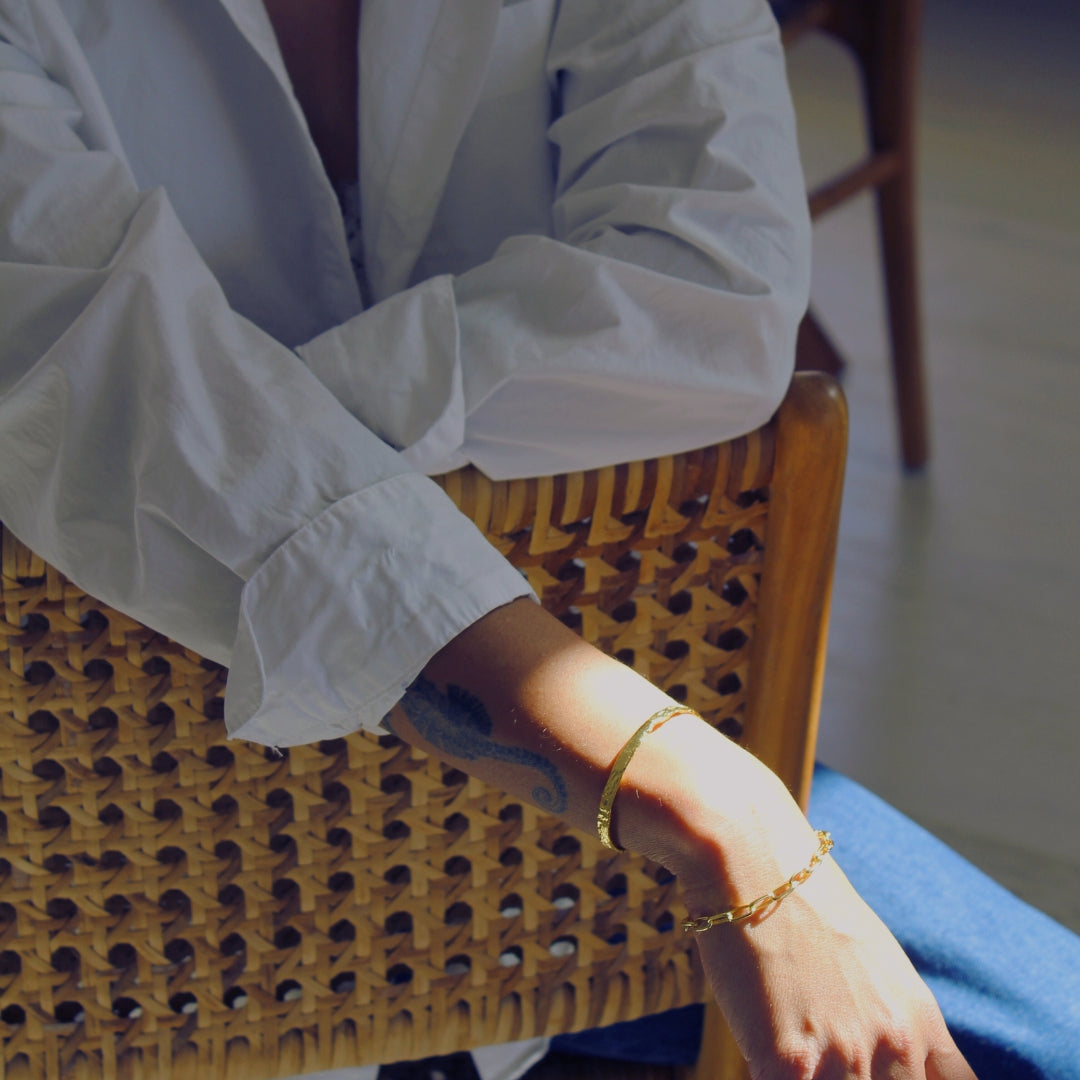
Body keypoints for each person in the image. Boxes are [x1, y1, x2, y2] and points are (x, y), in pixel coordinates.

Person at [0, 2, 1077, 1078]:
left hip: (567, 864)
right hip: (108, 874)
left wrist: (229, 435)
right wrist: (714, 803)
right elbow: (106, 381)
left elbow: (715, 295)